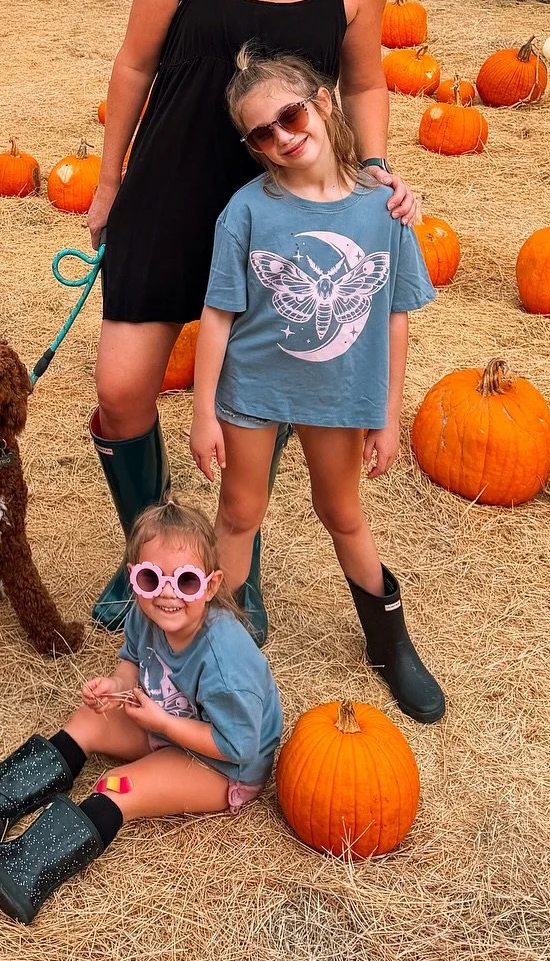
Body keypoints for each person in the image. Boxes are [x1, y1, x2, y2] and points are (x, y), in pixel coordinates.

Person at [87, 0, 413, 639]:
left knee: (249, 404)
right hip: (168, 193)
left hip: (282, 214)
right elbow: (133, 65)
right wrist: (111, 179)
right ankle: (151, 551)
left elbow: (367, 81)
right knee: (121, 393)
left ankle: (237, 566)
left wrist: (374, 168)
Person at [190, 45, 444, 722]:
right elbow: (218, 316)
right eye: (261, 133)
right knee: (239, 515)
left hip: (339, 396)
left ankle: (391, 645)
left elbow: (394, 320)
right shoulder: (246, 211)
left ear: (323, 101)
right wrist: (204, 411)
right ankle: (219, 648)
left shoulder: (382, 210)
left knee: (344, 514)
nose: (281, 136)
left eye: (289, 115)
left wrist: (387, 416)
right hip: (253, 388)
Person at [0, 501, 281, 926]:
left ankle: (25, 870)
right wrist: (116, 686)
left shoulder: (226, 662)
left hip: (222, 765)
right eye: (151, 578)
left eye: (185, 581)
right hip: (167, 723)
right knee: (88, 718)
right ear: (133, 579)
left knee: (118, 785)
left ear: (210, 586)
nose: (167, 593)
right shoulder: (145, 613)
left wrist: (161, 723)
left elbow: (237, 746)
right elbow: (132, 661)